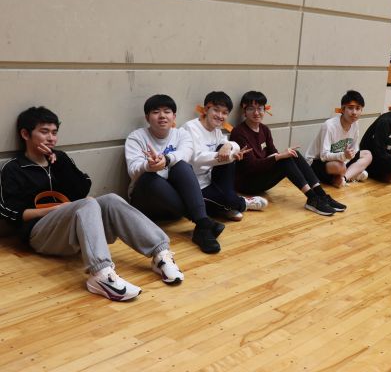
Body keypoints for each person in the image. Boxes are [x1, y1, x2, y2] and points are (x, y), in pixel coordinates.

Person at [0, 107, 184, 301]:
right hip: (39, 235)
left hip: (71, 228)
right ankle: (101, 274)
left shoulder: (60, 159)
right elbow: (10, 213)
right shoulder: (14, 168)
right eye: (44, 132)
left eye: (54, 133)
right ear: (25, 134)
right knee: (87, 204)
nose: (51, 138)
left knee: (110, 199)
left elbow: (82, 189)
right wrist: (54, 210)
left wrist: (60, 166)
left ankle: (160, 255)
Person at [125, 94, 225, 254]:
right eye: (156, 112)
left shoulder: (181, 134)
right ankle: (203, 222)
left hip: (173, 206)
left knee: (182, 166)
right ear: (147, 117)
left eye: (167, 111)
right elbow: (133, 170)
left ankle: (202, 225)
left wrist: (166, 159)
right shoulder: (136, 137)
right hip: (146, 203)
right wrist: (149, 166)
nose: (162, 116)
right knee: (150, 178)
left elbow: (186, 154)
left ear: (174, 117)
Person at [229, 91, 346, 216]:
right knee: (283, 160)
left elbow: (272, 153)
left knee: (293, 154)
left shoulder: (264, 129)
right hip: (247, 184)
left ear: (265, 110)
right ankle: (312, 198)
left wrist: (282, 155)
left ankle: (321, 195)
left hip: (261, 177)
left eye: (260, 108)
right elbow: (251, 166)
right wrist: (279, 157)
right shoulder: (239, 133)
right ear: (244, 111)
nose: (256, 113)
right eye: (251, 109)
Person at [182, 91, 268, 222]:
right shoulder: (190, 128)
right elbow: (196, 159)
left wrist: (228, 146)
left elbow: (234, 145)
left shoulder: (216, 131)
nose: (220, 116)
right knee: (220, 201)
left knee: (229, 154)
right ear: (206, 109)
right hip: (195, 184)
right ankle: (242, 203)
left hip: (212, 180)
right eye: (216, 110)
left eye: (224, 113)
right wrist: (223, 155)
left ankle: (228, 204)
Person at [305, 90, 373, 188]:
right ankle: (351, 174)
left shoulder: (355, 124)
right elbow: (323, 156)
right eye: (350, 108)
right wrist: (344, 156)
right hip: (317, 162)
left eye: (358, 108)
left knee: (367, 154)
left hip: (341, 159)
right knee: (339, 167)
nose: (354, 112)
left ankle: (343, 178)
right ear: (343, 109)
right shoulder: (329, 126)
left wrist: (349, 155)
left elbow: (355, 150)